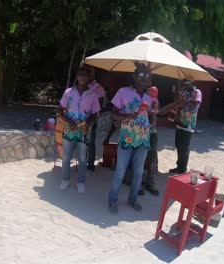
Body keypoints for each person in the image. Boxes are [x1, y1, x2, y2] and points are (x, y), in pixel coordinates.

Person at [108, 63, 155, 213]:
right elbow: (113, 114)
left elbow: (153, 114)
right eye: (141, 75)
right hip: (127, 139)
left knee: (139, 172)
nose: (144, 78)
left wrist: (153, 121)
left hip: (143, 139)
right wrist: (128, 115)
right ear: (134, 77)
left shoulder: (150, 95)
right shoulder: (123, 92)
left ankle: (133, 199)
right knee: (120, 171)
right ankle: (112, 200)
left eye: (146, 75)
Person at [58, 65, 101, 193]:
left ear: (89, 78)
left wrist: (87, 124)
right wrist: (69, 122)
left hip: (83, 131)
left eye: (85, 74)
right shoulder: (68, 92)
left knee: (82, 158)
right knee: (66, 157)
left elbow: (95, 114)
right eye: (80, 74)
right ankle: (65, 180)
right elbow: (60, 111)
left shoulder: (92, 95)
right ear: (76, 76)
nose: (82, 76)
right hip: (69, 130)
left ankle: (81, 182)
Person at [169, 79, 202, 174]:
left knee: (184, 146)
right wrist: (179, 98)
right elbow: (178, 104)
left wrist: (184, 100)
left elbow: (194, 106)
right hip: (180, 121)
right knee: (178, 145)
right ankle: (179, 165)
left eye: (188, 82)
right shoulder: (184, 92)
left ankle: (183, 168)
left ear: (193, 82)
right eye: (184, 83)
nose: (185, 84)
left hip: (189, 123)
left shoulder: (197, 92)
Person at [86, 66, 105, 172]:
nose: (87, 74)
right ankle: (83, 162)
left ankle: (90, 164)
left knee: (90, 141)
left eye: (89, 72)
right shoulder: (83, 86)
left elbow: (101, 105)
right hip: (81, 118)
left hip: (92, 118)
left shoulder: (98, 88)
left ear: (93, 74)